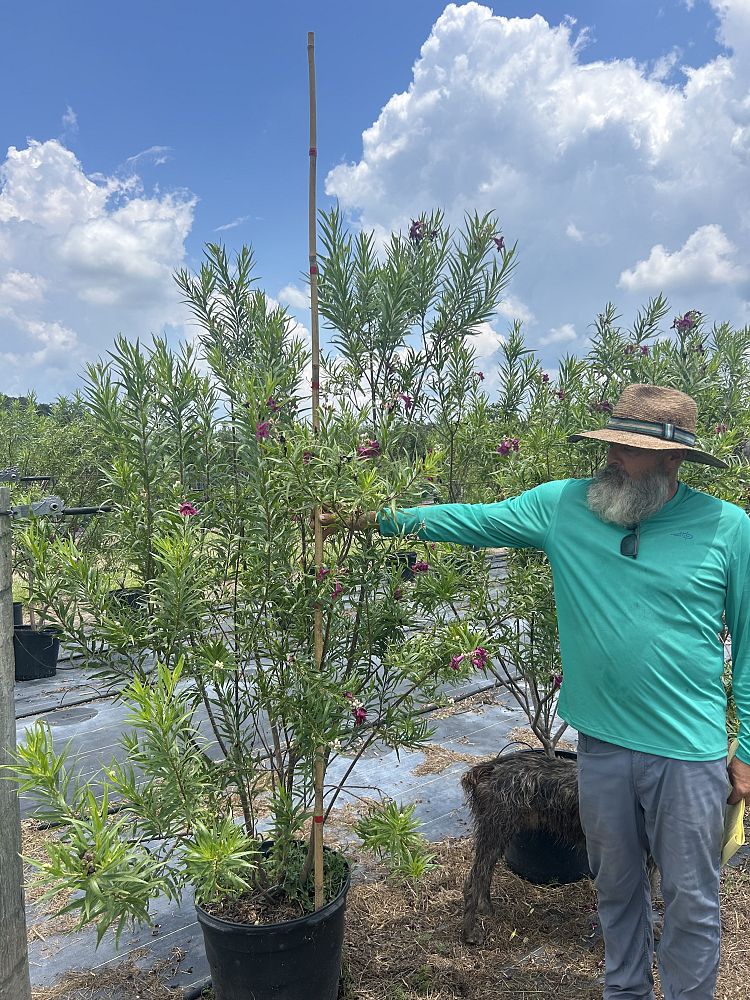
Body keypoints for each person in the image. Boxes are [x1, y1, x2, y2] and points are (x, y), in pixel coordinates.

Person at [321, 383, 750, 1000]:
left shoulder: (727, 529)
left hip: (687, 755)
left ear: (671, 460)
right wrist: (371, 519)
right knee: (616, 888)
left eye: (628, 451)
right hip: (601, 749)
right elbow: (469, 520)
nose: (611, 460)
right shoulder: (565, 507)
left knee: (691, 899)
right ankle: (624, 991)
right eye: (610, 445)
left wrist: (747, 751)